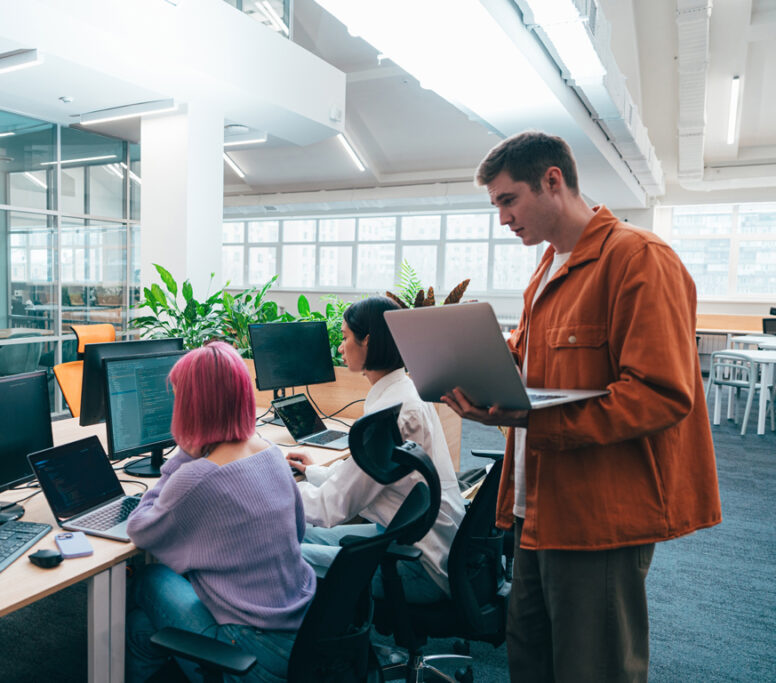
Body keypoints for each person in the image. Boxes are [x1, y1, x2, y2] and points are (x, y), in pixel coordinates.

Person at [443, 131, 722, 682]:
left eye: (508, 200)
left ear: (552, 180)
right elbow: (535, 370)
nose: (502, 219)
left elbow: (661, 394)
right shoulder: (546, 268)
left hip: (599, 512)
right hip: (533, 508)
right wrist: (480, 374)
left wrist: (529, 418)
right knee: (531, 657)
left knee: (594, 668)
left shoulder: (638, 259)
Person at [125, 341, 316, 683]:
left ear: (192, 407)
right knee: (141, 627)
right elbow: (299, 532)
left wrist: (185, 452)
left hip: (252, 651)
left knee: (149, 580)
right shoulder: (270, 451)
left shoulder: (197, 476)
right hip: (305, 634)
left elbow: (139, 528)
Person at [287, 296, 466, 603]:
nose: (341, 348)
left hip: (416, 563)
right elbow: (363, 477)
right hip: (416, 540)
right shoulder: (405, 392)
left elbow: (330, 509)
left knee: (280, 554)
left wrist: (273, 488)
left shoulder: (391, 414)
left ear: (367, 340)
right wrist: (313, 472)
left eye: (345, 338)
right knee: (297, 534)